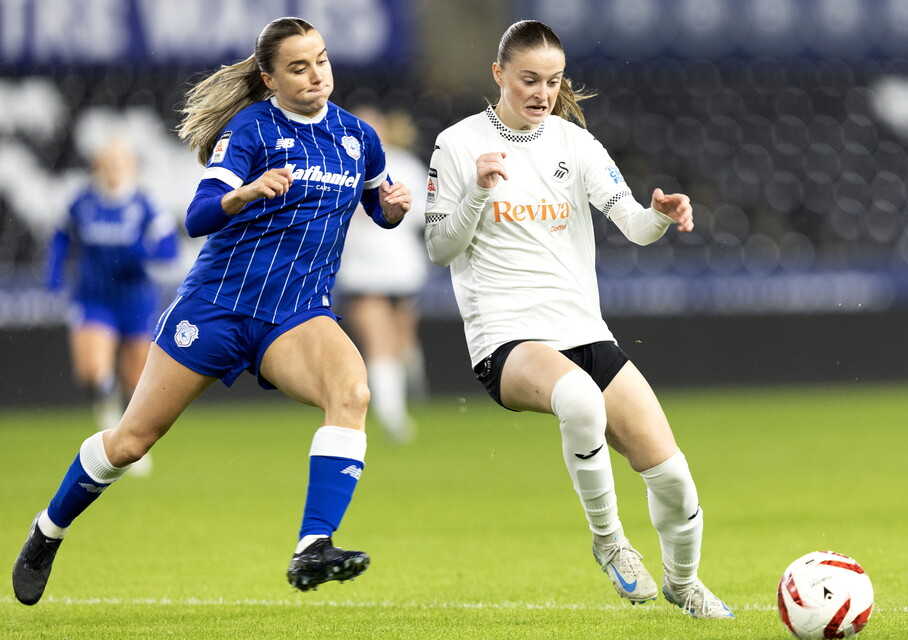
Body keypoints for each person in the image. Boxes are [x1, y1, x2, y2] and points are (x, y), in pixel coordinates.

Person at [12, 16, 411, 606]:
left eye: (321, 61)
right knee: (131, 442)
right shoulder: (251, 129)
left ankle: (313, 545)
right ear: (270, 79)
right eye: (298, 67)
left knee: (351, 392)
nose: (315, 75)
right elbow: (199, 216)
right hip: (217, 307)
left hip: (296, 316)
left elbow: (379, 208)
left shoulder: (357, 137)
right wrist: (244, 192)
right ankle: (48, 530)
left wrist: (395, 208)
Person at [423, 20, 733, 619]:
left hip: (585, 333)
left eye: (554, 81)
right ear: (499, 75)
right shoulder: (458, 145)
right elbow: (438, 247)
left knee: (673, 477)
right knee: (582, 402)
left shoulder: (574, 143)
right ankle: (610, 542)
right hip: (507, 339)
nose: (542, 93)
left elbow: (635, 227)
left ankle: (684, 583)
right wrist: (479, 192)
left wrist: (662, 214)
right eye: (529, 80)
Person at [46, 138, 180, 478]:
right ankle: (108, 417)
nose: (114, 169)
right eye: (108, 162)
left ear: (131, 167)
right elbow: (62, 236)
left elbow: (169, 249)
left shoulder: (145, 205)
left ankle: (126, 440)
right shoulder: (83, 202)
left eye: (121, 162)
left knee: (136, 380)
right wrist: (55, 272)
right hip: (94, 296)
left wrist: (142, 255)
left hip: (136, 298)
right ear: (98, 167)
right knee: (93, 370)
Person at [337, 105, 430, 443]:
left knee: (402, 343)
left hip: (401, 270)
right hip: (362, 273)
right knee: (379, 342)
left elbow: (424, 210)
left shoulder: (403, 164)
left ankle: (411, 388)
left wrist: (398, 207)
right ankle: (394, 418)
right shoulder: (337, 165)